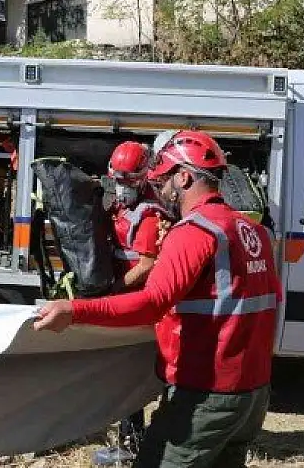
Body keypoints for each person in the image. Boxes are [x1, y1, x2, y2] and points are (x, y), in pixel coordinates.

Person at [34, 130, 283, 468]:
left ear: (184, 176)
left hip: (208, 392)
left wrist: (75, 310)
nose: (161, 189)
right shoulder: (254, 231)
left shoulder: (194, 232)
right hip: (253, 394)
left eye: (164, 179)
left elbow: (153, 301)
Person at [97, 141, 169, 464]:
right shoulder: (124, 207)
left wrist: (115, 287)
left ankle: (130, 444)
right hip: (126, 300)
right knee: (123, 375)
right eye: (118, 181)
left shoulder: (149, 214)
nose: (122, 188)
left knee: (129, 375)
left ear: (142, 178)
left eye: (128, 182)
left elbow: (146, 263)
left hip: (134, 302)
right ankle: (129, 439)